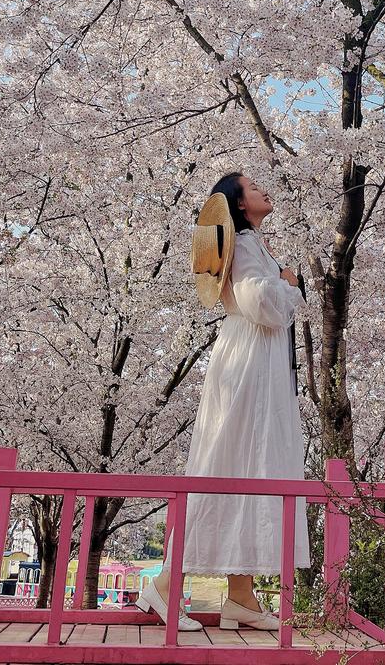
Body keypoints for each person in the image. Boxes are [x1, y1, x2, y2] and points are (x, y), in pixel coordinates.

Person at [135, 173, 310, 631]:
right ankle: (165, 586)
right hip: (249, 365)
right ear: (238, 202)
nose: (265, 190)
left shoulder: (252, 242)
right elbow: (261, 303)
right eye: (254, 188)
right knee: (229, 464)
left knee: (244, 464)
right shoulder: (247, 243)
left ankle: (241, 597)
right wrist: (291, 285)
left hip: (252, 363)